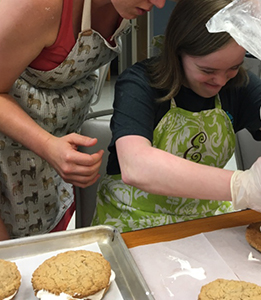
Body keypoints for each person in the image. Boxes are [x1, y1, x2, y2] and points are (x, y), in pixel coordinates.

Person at [92, 0, 261, 233]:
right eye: (207, 70)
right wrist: (242, 186)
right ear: (178, 52)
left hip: (204, 219)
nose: (220, 81)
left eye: (233, 67)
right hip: (133, 219)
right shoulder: (140, 83)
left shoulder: (238, 86)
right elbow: (136, 166)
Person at [0, 0, 169, 240]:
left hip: (52, 151)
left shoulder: (128, 7)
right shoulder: (38, 6)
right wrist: (47, 144)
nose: (159, 4)